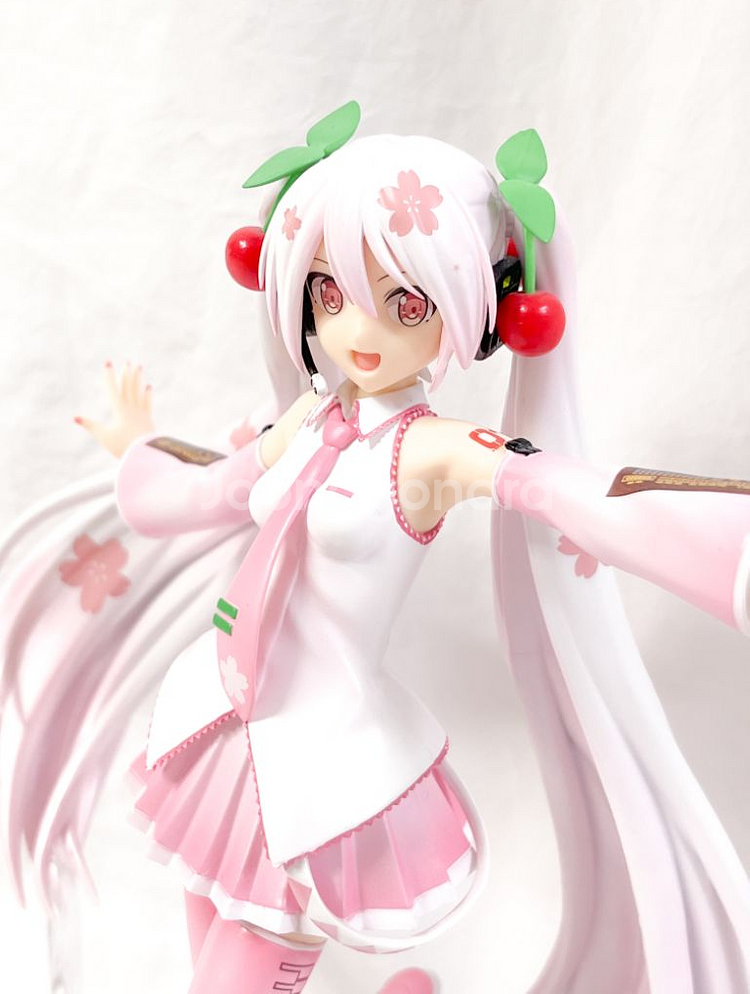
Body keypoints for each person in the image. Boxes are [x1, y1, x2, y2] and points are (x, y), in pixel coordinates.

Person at [2, 106, 749, 994]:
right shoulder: (306, 419)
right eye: (330, 292)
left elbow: (554, 485)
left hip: (321, 771)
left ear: (474, 308)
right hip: (224, 730)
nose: (359, 330)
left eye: (405, 303)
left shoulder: (426, 451)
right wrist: (141, 449)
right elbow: (214, 491)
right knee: (205, 955)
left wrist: (721, 547)